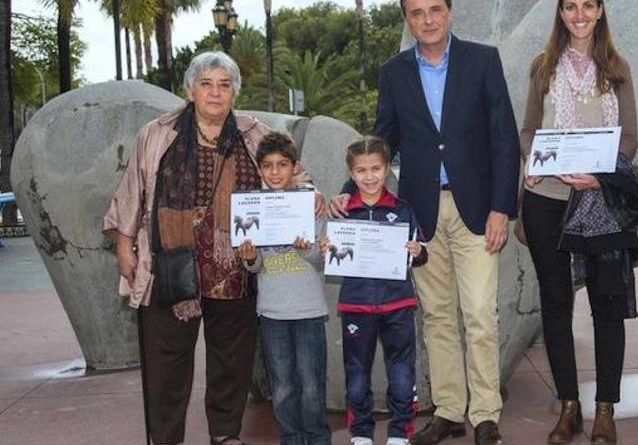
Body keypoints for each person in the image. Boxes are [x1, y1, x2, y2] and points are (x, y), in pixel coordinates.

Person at [330, 0, 519, 445]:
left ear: (449, 12)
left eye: (435, 9)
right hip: (420, 216)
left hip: (477, 209)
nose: (428, 19)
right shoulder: (394, 72)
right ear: (408, 20)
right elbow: (383, 138)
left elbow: (504, 138)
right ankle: (450, 409)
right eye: (417, 13)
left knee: (479, 312)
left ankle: (486, 414)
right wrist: (346, 190)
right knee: (436, 315)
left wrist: (502, 208)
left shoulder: (483, 60)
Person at [103, 51, 320, 445]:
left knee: (231, 360)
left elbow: (297, 177)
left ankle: (224, 433)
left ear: (234, 92)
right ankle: (165, 437)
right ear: (190, 90)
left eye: (224, 85)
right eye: (207, 84)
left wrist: (312, 200)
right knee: (165, 364)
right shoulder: (158, 133)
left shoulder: (255, 133)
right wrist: (124, 247)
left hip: (235, 267)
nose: (215, 93)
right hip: (170, 265)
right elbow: (131, 191)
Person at [519, 0, 638, 445]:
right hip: (547, 199)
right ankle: (568, 407)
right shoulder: (542, 67)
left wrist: (600, 173)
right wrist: (534, 160)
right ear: (561, 15)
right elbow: (529, 129)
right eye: (570, 7)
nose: (579, 15)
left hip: (601, 200)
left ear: (601, 11)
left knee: (607, 306)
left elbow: (628, 138)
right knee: (556, 303)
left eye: (588, 6)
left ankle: (605, 410)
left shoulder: (618, 68)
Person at [326, 135, 428, 445]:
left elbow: (422, 252)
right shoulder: (342, 213)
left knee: (401, 374)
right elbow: (328, 252)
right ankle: (360, 433)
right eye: (361, 171)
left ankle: (399, 432)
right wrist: (326, 248)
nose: (369, 177)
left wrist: (417, 251)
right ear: (351, 173)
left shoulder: (403, 209)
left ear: (387, 170)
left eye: (376, 169)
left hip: (398, 303)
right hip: (356, 305)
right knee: (356, 375)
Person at [237, 131, 331, 445]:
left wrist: (306, 249)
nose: (275, 172)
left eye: (282, 164)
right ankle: (291, 437)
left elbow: (321, 260)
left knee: (311, 384)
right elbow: (257, 264)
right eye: (268, 165)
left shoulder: (313, 206)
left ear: (295, 166)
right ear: (259, 169)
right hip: (272, 312)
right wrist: (250, 258)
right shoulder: (252, 209)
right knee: (282, 386)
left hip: (309, 310)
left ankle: (318, 438)